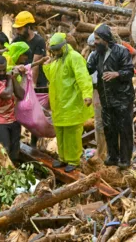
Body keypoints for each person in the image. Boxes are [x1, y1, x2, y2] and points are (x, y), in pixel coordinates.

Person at [44, 33, 93, 173]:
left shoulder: (74, 57)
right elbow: (52, 79)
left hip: (71, 103)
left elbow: (83, 77)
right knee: (60, 132)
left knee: (72, 133)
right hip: (59, 104)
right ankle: (63, 158)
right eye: (54, 51)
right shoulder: (57, 60)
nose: (55, 53)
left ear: (64, 46)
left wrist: (87, 94)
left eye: (57, 50)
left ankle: (73, 160)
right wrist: (47, 67)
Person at [87, 33, 136, 160]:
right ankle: (103, 154)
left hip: (118, 92)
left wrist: (125, 70)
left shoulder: (120, 49)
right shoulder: (94, 55)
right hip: (99, 90)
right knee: (100, 123)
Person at [12, 11, 47, 148]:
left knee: (35, 112)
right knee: (17, 110)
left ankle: (33, 143)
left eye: (20, 28)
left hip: (37, 81)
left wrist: (31, 86)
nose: (18, 31)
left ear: (28, 27)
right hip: (20, 80)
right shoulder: (16, 41)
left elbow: (36, 66)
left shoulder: (39, 41)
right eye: (17, 28)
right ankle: (17, 138)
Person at [0, 55, 25, 162]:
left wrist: (12, 78)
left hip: (13, 117)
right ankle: (3, 175)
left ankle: (13, 174)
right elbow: (7, 94)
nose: (2, 73)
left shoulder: (8, 77)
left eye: (4, 70)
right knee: (4, 150)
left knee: (14, 151)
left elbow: (21, 95)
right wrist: (9, 78)